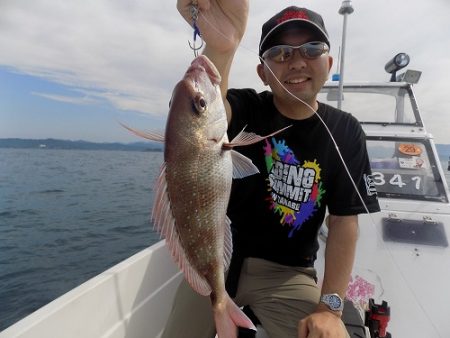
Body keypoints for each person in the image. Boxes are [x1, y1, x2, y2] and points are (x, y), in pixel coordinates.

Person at [162, 1, 380, 337]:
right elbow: (203, 116)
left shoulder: (346, 131)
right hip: (217, 266)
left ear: (328, 62)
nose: (296, 61)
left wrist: (330, 307)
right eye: (279, 53)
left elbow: (343, 223)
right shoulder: (246, 107)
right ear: (263, 72)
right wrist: (221, 48)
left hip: (288, 274)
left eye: (311, 48)